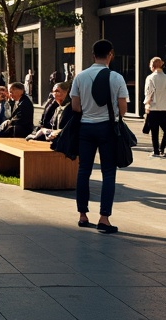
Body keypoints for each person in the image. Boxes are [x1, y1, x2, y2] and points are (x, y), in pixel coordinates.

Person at [70, 39, 127, 233]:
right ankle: (104, 218)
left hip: (85, 128)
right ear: (110, 54)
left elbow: (75, 107)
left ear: (93, 55)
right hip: (108, 129)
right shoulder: (116, 78)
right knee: (108, 173)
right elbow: (123, 109)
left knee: (83, 170)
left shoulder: (80, 77)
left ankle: (83, 215)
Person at [143, 57, 166, 158]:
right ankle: (162, 148)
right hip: (164, 108)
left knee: (154, 132)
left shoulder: (150, 78)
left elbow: (148, 93)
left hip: (153, 107)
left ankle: (156, 151)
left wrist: (146, 104)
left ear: (152, 66)